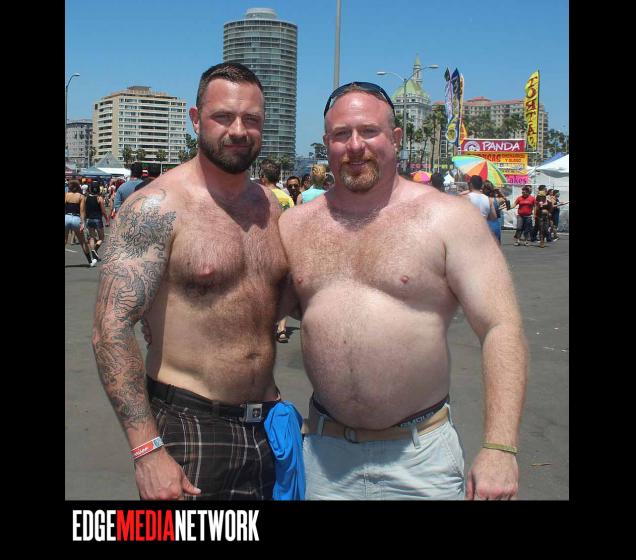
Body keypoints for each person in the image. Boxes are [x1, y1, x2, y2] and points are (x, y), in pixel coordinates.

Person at [278, 81, 527, 500]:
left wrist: (500, 447)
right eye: (341, 134)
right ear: (327, 143)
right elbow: (252, 320)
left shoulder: (448, 219)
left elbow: (500, 326)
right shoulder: (295, 226)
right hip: (323, 456)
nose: (355, 145)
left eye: (369, 131)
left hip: (421, 459)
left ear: (395, 138)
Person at [93, 62, 291, 500]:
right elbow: (110, 329)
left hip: (268, 425)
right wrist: (147, 450)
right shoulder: (156, 208)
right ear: (197, 119)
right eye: (223, 117)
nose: (238, 130)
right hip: (190, 426)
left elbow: (276, 300)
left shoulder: (271, 208)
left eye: (251, 119)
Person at [65, 179, 95, 266]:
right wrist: (82, 223)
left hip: (66, 217)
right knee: (82, 241)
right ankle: (90, 261)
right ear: (78, 187)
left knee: (65, 240)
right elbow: (82, 211)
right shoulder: (81, 197)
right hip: (76, 218)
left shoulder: (66, 195)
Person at [82, 182, 110, 264]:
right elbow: (103, 211)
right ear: (98, 189)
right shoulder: (99, 198)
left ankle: (94, 253)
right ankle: (94, 251)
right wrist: (107, 219)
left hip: (89, 219)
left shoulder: (86, 198)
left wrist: (84, 220)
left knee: (92, 237)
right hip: (97, 219)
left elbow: (84, 210)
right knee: (101, 238)